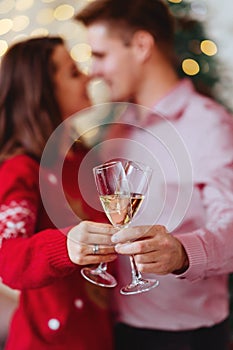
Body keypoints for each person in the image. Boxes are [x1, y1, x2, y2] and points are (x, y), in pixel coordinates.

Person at [75, 1, 233, 349]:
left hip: (184, 336)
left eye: (100, 55)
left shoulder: (209, 125)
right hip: (116, 327)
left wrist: (182, 254)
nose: (93, 71)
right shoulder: (116, 130)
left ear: (142, 46)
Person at [0, 36, 117, 350]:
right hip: (48, 342)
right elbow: (9, 260)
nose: (89, 76)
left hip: (98, 334)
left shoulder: (82, 159)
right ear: (43, 90)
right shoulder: (21, 170)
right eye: (73, 72)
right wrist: (67, 246)